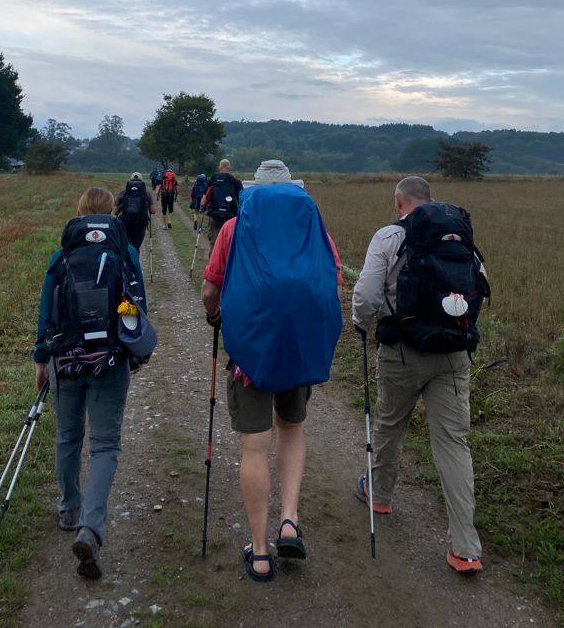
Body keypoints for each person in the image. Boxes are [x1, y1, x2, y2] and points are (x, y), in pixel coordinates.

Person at [201, 159, 344, 582]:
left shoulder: (233, 229)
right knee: (292, 429)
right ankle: (289, 520)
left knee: (254, 446)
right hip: (298, 350)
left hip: (251, 353)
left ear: (254, 192)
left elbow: (211, 289)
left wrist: (215, 316)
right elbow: (330, 283)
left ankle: (260, 553)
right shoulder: (313, 228)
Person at [352, 176, 486, 574]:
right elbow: (480, 288)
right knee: (452, 442)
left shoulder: (390, 236)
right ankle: (466, 548)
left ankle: (380, 496)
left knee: (391, 422)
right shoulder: (459, 238)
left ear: (399, 202)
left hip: (403, 352)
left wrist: (361, 324)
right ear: (429, 199)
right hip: (453, 353)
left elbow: (368, 293)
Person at [33, 186, 147, 580]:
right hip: (110, 362)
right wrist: (134, 355)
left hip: (65, 361)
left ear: (78, 213)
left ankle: (69, 510)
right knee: (105, 445)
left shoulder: (60, 257)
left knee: (68, 437)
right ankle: (91, 527)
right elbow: (136, 308)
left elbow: (46, 314)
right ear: (112, 213)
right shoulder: (125, 253)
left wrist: (40, 359)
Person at [201, 158, 243, 246]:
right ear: (229, 168)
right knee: (228, 242)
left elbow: (204, 200)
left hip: (215, 215)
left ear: (219, 167)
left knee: (214, 242)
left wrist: (203, 207)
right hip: (230, 216)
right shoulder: (235, 182)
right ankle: (226, 259)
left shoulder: (212, 179)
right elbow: (242, 200)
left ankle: (213, 258)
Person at [115, 172, 155, 250]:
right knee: (136, 246)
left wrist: (122, 205)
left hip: (126, 223)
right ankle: (136, 258)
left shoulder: (123, 193)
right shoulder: (146, 193)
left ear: (130, 181)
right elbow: (153, 211)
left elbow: (115, 212)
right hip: (140, 223)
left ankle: (127, 259)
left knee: (127, 245)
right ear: (142, 182)